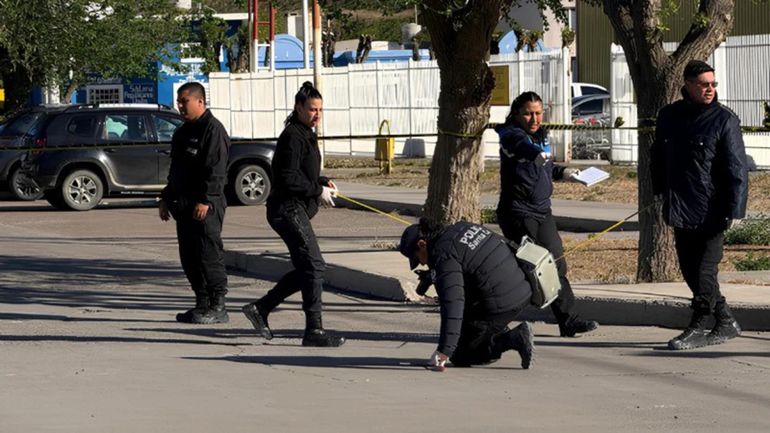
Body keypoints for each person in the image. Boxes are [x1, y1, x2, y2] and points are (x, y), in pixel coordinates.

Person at [652, 60, 748, 350]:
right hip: (681, 206)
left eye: (713, 84)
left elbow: (737, 168)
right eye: (704, 84)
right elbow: (658, 157)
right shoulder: (669, 116)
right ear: (688, 84)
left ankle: (699, 323)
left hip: (713, 210)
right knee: (690, 271)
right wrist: (659, 192)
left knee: (705, 272)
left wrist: (736, 209)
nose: (710, 89)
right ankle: (726, 320)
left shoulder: (724, 120)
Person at [241, 82, 344, 347]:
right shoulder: (292, 136)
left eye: (320, 110)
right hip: (286, 209)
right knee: (314, 266)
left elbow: (301, 172)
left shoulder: (306, 133)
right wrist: (316, 190)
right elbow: (287, 177)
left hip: (296, 208)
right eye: (312, 109)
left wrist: (322, 181)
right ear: (298, 107)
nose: (317, 115)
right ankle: (314, 330)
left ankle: (261, 308)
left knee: (307, 268)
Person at [494, 91, 599, 337]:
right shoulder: (510, 135)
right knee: (533, 269)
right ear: (516, 114)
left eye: (538, 113)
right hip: (518, 213)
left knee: (556, 263)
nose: (534, 119)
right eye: (528, 113)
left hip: (542, 211)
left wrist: (570, 175)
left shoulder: (541, 136)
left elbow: (547, 168)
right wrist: (535, 154)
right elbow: (521, 148)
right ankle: (493, 319)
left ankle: (568, 321)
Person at [399, 219, 535, 371]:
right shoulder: (462, 227)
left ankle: (514, 338)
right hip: (522, 287)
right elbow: (468, 261)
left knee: (461, 354)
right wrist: (432, 276)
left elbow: (453, 305)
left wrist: (444, 351)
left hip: (502, 304)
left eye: (417, 258)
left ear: (422, 244)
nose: (422, 263)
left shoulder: (443, 255)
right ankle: (494, 330)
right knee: (469, 326)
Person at [159, 82, 231, 324]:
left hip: (205, 205)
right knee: (189, 256)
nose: (180, 106)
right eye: (179, 102)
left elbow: (216, 170)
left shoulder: (213, 130)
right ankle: (202, 303)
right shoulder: (182, 132)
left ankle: (218, 306)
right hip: (184, 204)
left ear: (200, 102)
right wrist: (165, 198)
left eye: (185, 101)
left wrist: (205, 200)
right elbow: (176, 170)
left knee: (208, 253)